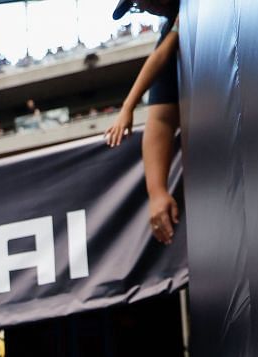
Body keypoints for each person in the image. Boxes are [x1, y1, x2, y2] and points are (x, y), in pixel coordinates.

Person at [104, 0, 182, 244]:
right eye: (138, 4)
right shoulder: (173, 24)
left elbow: (161, 54)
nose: (146, 7)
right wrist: (157, 192)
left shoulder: (189, 11)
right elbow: (159, 118)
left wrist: (128, 106)